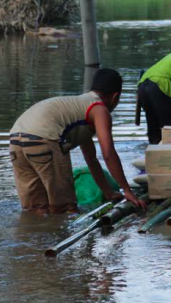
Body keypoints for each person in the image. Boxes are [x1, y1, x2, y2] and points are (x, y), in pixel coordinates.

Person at [9, 69, 146, 214]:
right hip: (44, 139)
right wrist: (127, 190)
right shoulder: (99, 109)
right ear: (115, 97)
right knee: (65, 208)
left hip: (15, 141)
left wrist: (109, 193)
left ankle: (34, 234)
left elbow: (91, 159)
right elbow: (108, 154)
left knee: (35, 209)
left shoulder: (78, 107)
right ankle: (59, 233)